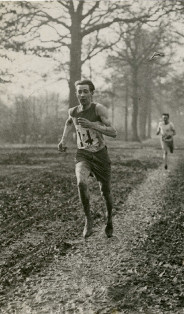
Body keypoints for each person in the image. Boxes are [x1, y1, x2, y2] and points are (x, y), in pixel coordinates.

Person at [58, 79, 117, 238]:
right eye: (79, 92)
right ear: (76, 94)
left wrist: (93, 125)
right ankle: (88, 219)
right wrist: (63, 140)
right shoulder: (73, 111)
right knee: (81, 182)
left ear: (92, 93)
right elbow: (69, 122)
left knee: (105, 191)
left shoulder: (98, 109)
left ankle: (109, 219)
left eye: (85, 91)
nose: (82, 95)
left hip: (100, 154)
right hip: (83, 154)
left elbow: (113, 132)